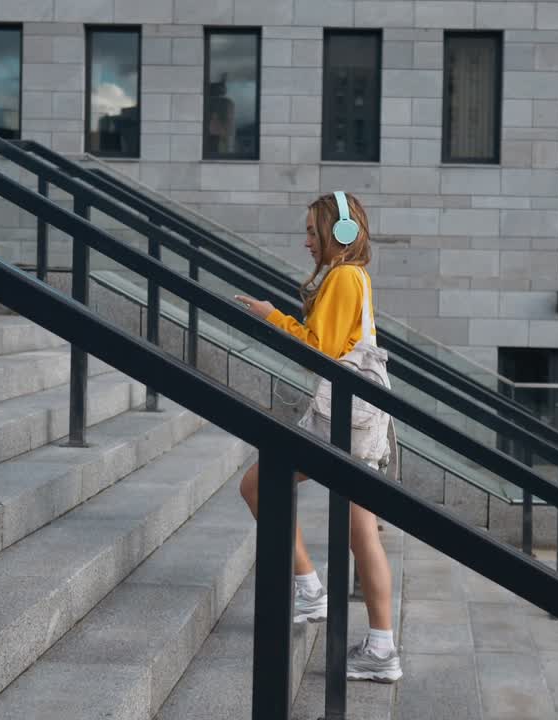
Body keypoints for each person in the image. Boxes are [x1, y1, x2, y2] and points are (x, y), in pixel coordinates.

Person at [234, 191, 401, 684]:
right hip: (351, 416)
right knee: (359, 531)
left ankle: (312, 592)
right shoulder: (348, 277)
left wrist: (271, 316)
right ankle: (377, 643)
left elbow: (319, 350)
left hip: (344, 418)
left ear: (341, 232)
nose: (306, 241)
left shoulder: (346, 276)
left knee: (260, 486)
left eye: (313, 230)